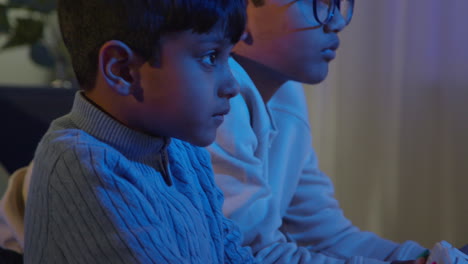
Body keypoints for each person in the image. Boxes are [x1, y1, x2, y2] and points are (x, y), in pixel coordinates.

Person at [207, 0, 467, 264]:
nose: (338, 22)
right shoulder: (215, 103)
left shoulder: (286, 94)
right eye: (317, 3)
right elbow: (250, 253)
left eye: (338, 5)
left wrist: (430, 258)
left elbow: (328, 236)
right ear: (240, 11)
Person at [22, 0, 255, 263]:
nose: (233, 86)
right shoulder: (83, 164)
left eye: (228, 57)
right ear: (122, 71)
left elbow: (230, 252)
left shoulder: (182, 148)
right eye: (210, 57)